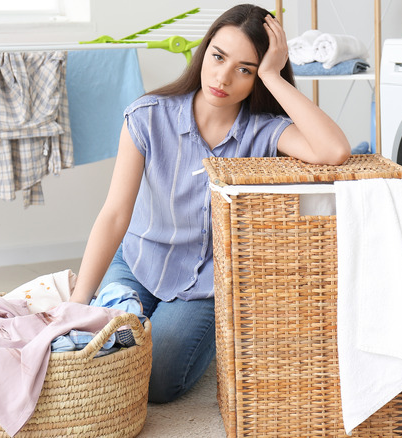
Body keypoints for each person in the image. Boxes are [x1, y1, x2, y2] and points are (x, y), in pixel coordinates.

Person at [69, 3, 351, 403]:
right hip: (139, 263)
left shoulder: (266, 132)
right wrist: (79, 301)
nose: (223, 77)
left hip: (206, 284)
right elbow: (115, 215)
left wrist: (273, 74)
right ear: (204, 52)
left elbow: (334, 150)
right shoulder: (147, 117)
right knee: (103, 354)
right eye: (218, 57)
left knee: (157, 382)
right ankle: (129, 315)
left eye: (245, 69)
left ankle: (204, 339)